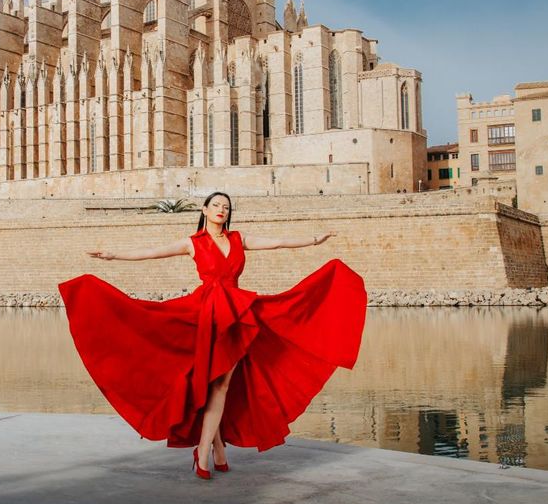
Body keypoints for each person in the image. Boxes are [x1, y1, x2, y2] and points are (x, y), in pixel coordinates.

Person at [58, 191, 367, 481]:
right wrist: (113, 255)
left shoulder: (238, 238)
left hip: (235, 314)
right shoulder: (193, 242)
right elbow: (151, 252)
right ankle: (210, 450)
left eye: (226, 206)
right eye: (217, 205)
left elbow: (276, 242)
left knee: (219, 382)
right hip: (203, 315)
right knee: (213, 382)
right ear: (204, 210)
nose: (222, 210)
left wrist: (314, 240)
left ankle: (207, 451)